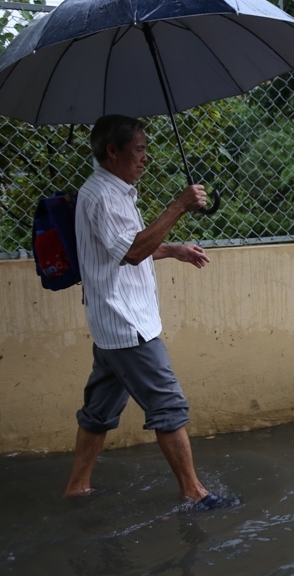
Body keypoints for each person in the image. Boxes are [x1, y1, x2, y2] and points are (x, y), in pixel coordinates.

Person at [63, 114, 233, 510]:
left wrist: (174, 250)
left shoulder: (115, 191)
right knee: (169, 407)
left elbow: (127, 247)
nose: (145, 158)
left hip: (113, 324)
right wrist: (180, 205)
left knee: (99, 411)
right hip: (127, 325)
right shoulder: (103, 195)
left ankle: (77, 486)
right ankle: (194, 492)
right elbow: (133, 250)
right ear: (112, 151)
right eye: (138, 149)